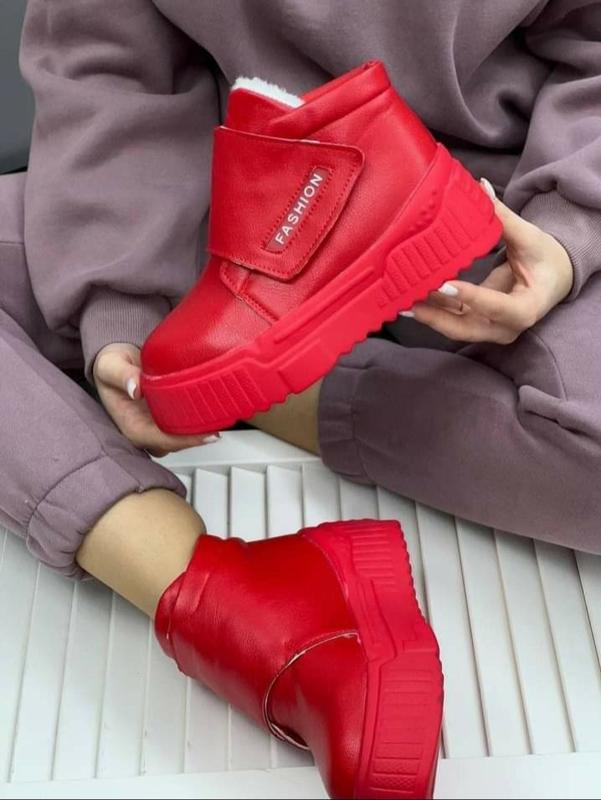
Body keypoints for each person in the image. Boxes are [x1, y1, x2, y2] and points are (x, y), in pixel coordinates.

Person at [1, 0, 600, 794]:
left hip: (487, 216)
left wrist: (567, 226)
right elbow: (109, 68)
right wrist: (120, 300)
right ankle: (235, 603)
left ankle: (262, 390)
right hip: (221, 213)